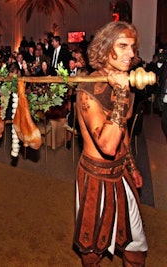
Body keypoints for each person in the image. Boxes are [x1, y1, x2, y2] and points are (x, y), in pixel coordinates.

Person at [73, 21, 147, 266]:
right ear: (105, 49)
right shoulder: (87, 90)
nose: (131, 54)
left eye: (132, 47)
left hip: (122, 174)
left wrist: (133, 166)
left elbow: (123, 133)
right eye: (123, 46)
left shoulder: (125, 83)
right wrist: (122, 94)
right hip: (96, 177)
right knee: (92, 254)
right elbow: (107, 145)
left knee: (136, 252)